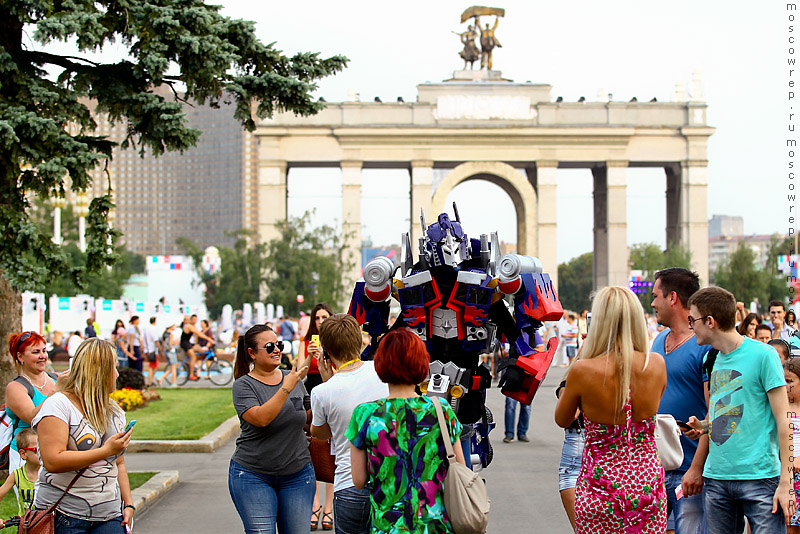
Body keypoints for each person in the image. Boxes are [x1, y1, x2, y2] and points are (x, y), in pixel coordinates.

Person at [555, 286, 668, 533]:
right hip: (646, 481)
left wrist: (577, 366)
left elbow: (563, 419)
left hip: (600, 484)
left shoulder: (584, 370)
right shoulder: (657, 364)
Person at [686, 286, 794, 533]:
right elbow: (727, 413)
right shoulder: (715, 359)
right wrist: (702, 427)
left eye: (693, 320)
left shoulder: (764, 355)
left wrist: (786, 482)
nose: (691, 326)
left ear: (710, 321)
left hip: (760, 478)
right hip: (718, 478)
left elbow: (783, 421)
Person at [347, 328, 466, 534]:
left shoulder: (365, 414)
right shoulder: (441, 410)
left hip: (387, 527)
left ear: (381, 363)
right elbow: (461, 468)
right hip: (435, 525)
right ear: (421, 362)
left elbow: (358, 480)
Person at [33, 337, 135, 533]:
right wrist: (105, 450)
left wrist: (128, 503)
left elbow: (118, 462)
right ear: (99, 371)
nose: (116, 374)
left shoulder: (115, 412)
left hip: (110, 515)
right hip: (64, 515)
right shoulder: (59, 405)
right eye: (113, 367)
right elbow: (53, 460)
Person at [228, 324, 314, 534]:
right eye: (269, 346)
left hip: (297, 474)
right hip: (253, 475)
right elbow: (261, 418)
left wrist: (329, 391)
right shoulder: (244, 385)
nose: (277, 350)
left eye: (279, 345)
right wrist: (286, 387)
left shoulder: (292, 378)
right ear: (251, 353)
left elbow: (307, 419)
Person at [310, 314, 389, 534]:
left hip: (348, 483)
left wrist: (328, 380)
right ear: (359, 339)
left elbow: (321, 434)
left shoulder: (322, 392)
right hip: (390, 479)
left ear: (326, 351)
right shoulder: (384, 371)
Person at [649, 267, 711, 534]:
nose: (652, 303)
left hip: (690, 472)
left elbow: (716, 413)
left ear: (672, 298)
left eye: (656, 296)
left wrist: (697, 468)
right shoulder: (658, 341)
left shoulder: (704, 346)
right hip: (655, 467)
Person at [298, 303, 335, 529]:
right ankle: (315, 505)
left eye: (324, 317)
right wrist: (309, 357)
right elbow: (298, 373)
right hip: (310, 394)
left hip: (330, 390)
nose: (320, 321)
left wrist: (324, 358)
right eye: (317, 318)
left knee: (330, 450)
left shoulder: (335, 341)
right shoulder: (307, 342)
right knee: (311, 448)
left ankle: (329, 507)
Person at [5, 331, 58, 473]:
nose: (43, 356)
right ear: (20, 357)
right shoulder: (15, 387)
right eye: (36, 352)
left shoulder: (56, 379)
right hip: (27, 457)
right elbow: (33, 417)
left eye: (44, 351)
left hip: (56, 452)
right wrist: (57, 391)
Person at [503, 333, 545, 443]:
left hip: (529, 373)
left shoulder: (532, 331)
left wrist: (526, 352)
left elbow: (541, 348)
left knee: (526, 405)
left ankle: (522, 432)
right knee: (510, 404)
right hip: (513, 371)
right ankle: (509, 433)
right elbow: (503, 351)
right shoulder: (510, 330)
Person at [0, 428, 39, 523]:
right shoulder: (17, 474)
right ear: (23, 453)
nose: (42, 452)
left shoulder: (49, 473)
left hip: (49, 524)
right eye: (36, 449)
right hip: (25, 525)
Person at [785, 358, 800, 534]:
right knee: (787, 524)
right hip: (784, 473)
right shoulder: (780, 407)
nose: (785, 385)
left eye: (789, 381)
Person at [180, 315, 215, 381]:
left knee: (201, 350)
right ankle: (191, 375)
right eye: (193, 319)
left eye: (196, 319)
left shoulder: (193, 326)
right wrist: (209, 340)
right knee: (193, 357)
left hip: (189, 343)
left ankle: (196, 368)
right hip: (185, 343)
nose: (195, 321)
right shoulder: (188, 326)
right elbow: (199, 334)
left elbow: (197, 336)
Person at [143, 316, 160, 387]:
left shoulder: (147, 329)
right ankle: (150, 381)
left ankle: (151, 380)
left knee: (154, 365)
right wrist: (160, 349)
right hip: (152, 350)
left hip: (148, 349)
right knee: (152, 366)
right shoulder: (153, 329)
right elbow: (155, 340)